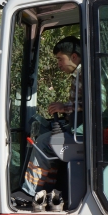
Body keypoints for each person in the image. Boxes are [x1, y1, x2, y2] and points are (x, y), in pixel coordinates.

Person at [13, 36, 83, 206]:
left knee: (44, 143)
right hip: (78, 128)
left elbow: (95, 104)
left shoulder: (87, 75)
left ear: (74, 56)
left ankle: (31, 193)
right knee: (47, 137)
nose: (59, 64)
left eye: (61, 59)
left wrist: (64, 107)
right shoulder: (79, 75)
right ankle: (48, 191)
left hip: (84, 134)